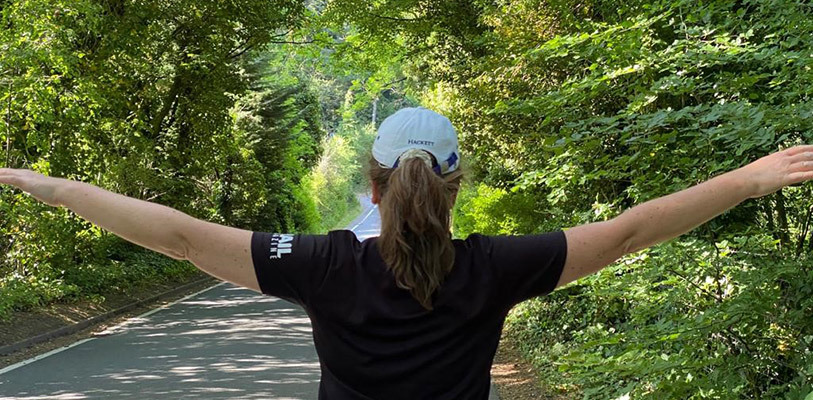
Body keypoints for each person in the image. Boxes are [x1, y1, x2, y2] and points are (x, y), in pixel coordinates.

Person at [1, 107, 812, 399]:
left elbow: (176, 233)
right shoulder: (496, 265)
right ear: (457, 183)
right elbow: (634, 228)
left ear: (373, 182)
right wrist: (747, 177)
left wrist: (43, 184)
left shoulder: (320, 264)